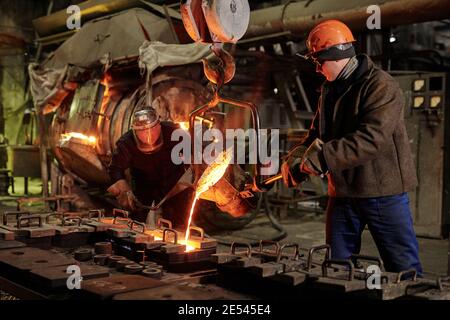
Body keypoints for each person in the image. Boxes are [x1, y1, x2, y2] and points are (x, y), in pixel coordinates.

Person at [281, 20, 423, 275]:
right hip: (343, 194)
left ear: (335, 56)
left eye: (317, 61)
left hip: (381, 193)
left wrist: (321, 159)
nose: (316, 69)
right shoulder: (330, 89)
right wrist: (297, 156)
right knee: (336, 267)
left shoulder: (381, 86)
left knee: (404, 270)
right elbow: (316, 132)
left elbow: (371, 139)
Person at [107, 107, 192, 226]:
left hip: (173, 183)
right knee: (136, 220)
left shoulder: (174, 133)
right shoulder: (126, 143)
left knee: (178, 220)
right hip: (143, 184)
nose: (148, 135)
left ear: (159, 125)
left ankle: (177, 239)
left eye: (151, 129)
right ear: (135, 131)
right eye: (142, 131)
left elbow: (193, 154)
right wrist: (124, 191)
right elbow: (115, 169)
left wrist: (192, 175)